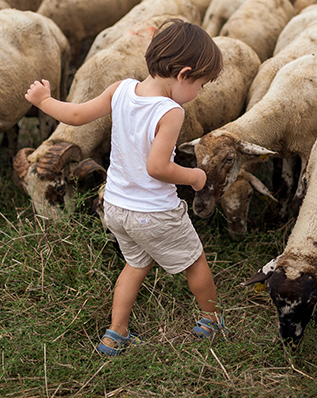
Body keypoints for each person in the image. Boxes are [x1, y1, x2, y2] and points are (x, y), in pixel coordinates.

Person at [25, 19, 225, 356]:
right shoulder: (170, 111)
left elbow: (74, 115)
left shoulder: (121, 89)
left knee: (135, 266)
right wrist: (194, 177)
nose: (199, 93)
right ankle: (212, 320)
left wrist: (44, 100)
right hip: (155, 212)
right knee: (194, 262)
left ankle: (115, 334)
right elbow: (158, 168)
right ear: (183, 74)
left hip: (116, 209)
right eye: (202, 85)